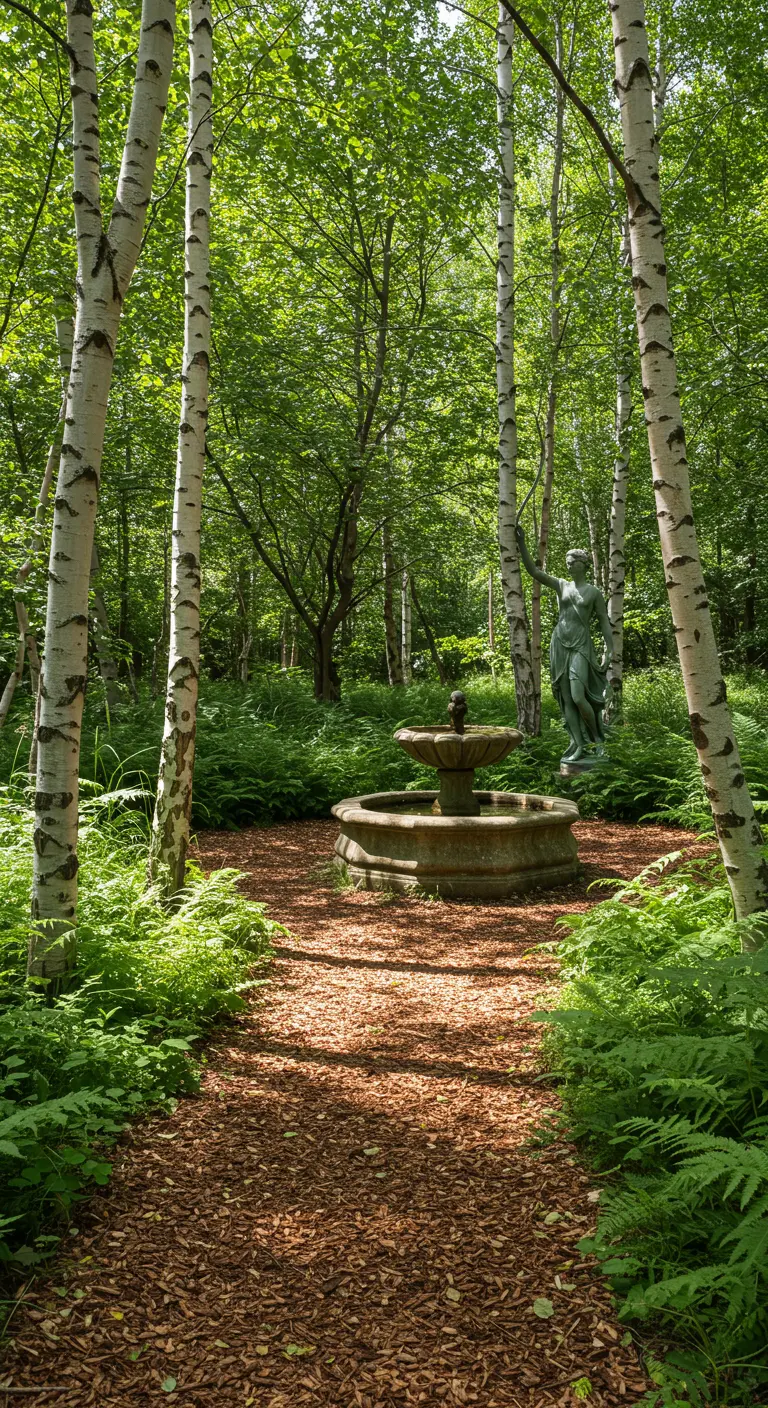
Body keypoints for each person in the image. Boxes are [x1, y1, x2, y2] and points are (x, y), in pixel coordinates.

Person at [515, 523, 612, 763]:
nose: (570, 566)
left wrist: (610, 650)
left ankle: (598, 740)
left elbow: (603, 622)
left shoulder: (593, 592)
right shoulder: (562, 585)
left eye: (574, 562)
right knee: (567, 698)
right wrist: (522, 544)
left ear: (584, 564)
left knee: (579, 696)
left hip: (581, 645)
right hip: (560, 643)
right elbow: (534, 572)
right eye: (567, 562)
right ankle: (579, 745)